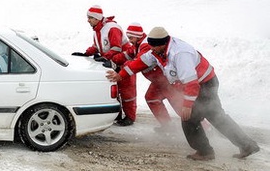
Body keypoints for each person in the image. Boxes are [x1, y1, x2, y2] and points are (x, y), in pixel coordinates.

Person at [107, 27, 260, 161]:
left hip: (203, 84)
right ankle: (246, 145)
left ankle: (205, 152)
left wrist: (187, 105)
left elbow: (191, 83)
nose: (151, 51)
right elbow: (141, 62)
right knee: (217, 117)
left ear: (161, 44)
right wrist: (121, 75)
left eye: (153, 48)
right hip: (202, 82)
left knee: (189, 119)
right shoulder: (158, 50)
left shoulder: (180, 53)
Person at [72, 5, 137, 126]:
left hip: (124, 61)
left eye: (90, 17)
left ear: (97, 18)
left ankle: (130, 117)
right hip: (111, 62)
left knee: (127, 91)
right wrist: (86, 53)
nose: (88, 20)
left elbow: (116, 47)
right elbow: (97, 46)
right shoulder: (97, 30)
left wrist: (105, 57)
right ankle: (116, 114)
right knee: (114, 89)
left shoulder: (112, 28)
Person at [125, 23, 183, 134]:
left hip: (167, 80)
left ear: (137, 36)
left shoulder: (146, 45)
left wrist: (123, 67)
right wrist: (112, 60)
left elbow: (138, 62)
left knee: (179, 104)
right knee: (152, 98)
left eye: (131, 38)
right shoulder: (137, 45)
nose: (130, 41)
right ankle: (168, 126)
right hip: (159, 81)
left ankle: (203, 128)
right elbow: (127, 54)